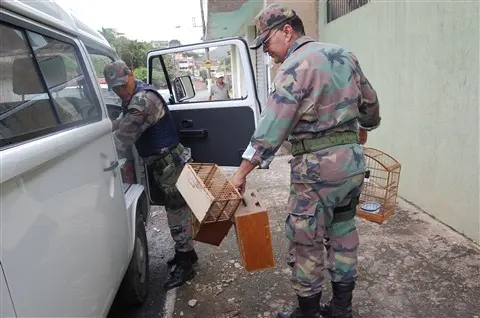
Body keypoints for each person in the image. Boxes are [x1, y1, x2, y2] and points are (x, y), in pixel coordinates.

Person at [230, 4, 380, 318]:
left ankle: (308, 313)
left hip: (316, 171)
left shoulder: (294, 66)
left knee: (305, 240)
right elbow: (371, 106)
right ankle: (341, 309)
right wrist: (363, 129)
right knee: (342, 232)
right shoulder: (345, 54)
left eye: (268, 42)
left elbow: (272, 127)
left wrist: (243, 171)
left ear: (287, 30)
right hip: (352, 165)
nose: (268, 51)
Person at [104, 60, 198, 291]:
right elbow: (124, 123)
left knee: (177, 213)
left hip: (170, 166)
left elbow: (123, 138)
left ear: (131, 75)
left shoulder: (143, 100)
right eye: (115, 88)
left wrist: (97, 152)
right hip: (166, 164)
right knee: (177, 211)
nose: (121, 91)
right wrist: (110, 124)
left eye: (123, 85)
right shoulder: (138, 94)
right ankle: (186, 253)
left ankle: (186, 264)